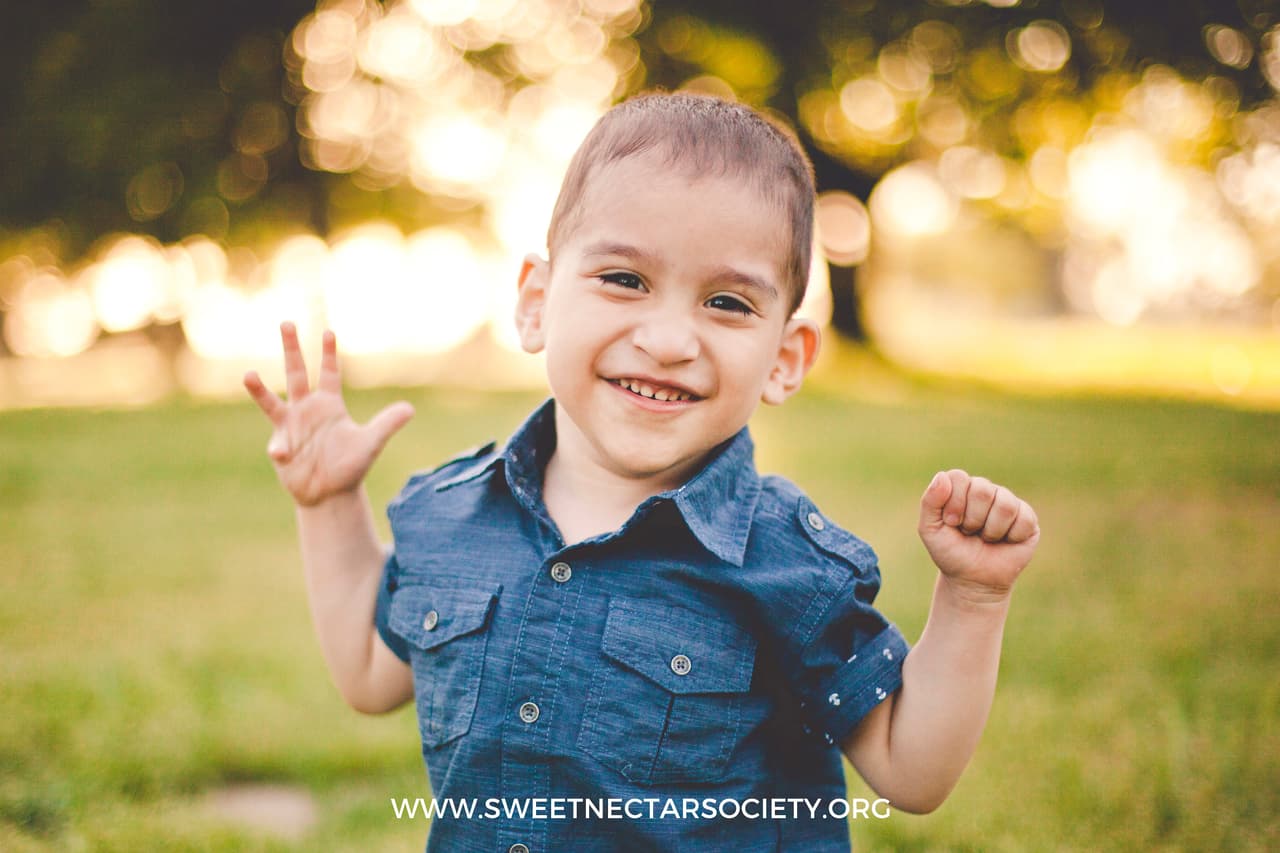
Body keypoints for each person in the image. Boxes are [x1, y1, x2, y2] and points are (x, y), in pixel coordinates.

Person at [244, 92, 1040, 852]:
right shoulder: (453, 518)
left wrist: (973, 597)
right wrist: (328, 502)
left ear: (785, 359)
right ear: (536, 301)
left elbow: (912, 768)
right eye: (625, 280)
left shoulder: (783, 563)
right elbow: (367, 675)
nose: (666, 339)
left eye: (726, 303)